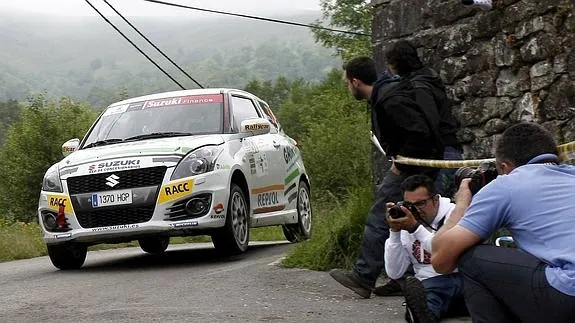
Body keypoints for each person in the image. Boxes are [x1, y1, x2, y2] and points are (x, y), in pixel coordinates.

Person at [431, 122, 575, 323]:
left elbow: (441, 260)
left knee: (472, 259)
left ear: (504, 167)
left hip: (567, 294)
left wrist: (462, 202)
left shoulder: (506, 185)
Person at [329, 56, 442, 299]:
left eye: (348, 83)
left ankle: (364, 276)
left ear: (356, 82)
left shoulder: (390, 99)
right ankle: (402, 277)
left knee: (382, 215)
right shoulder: (387, 93)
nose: (348, 87)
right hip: (417, 165)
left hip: (412, 167)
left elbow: (418, 132)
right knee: (411, 219)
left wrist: (400, 163)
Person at [384, 39, 463, 198]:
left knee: (432, 210)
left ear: (396, 63)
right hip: (445, 151)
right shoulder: (427, 77)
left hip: (441, 156)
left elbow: (429, 124)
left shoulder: (420, 86)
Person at [385, 175, 467, 322]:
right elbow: (395, 272)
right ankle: (423, 316)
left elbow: (443, 250)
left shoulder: (455, 214)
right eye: (409, 205)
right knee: (428, 295)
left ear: (435, 200)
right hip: (431, 287)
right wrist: (394, 232)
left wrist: (415, 228)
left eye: (420, 204)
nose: (415, 210)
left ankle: (421, 314)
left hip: (460, 278)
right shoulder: (407, 220)